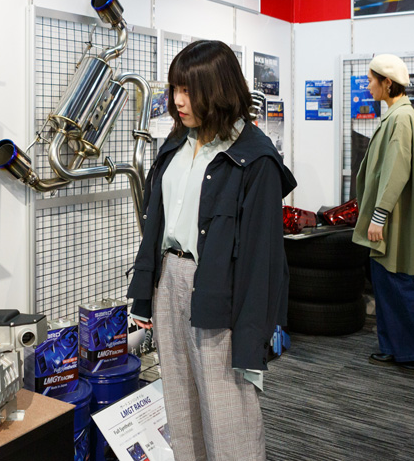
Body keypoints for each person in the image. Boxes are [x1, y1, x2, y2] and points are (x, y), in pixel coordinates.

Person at [126, 40, 296, 461]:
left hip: (221, 291)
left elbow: (262, 260)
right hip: (170, 280)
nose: (177, 101)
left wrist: (253, 338)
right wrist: (144, 295)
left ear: (217, 90)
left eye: (189, 90)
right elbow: (155, 226)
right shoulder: (176, 145)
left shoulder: (254, 158)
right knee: (180, 404)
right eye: (175, 88)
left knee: (227, 413)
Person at [353, 54, 414, 375]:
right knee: (385, 282)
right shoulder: (396, 114)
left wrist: (379, 215)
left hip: (393, 218)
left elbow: (397, 170)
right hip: (390, 216)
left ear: (387, 82)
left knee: (396, 284)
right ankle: (394, 347)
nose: (368, 86)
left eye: (371, 80)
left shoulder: (401, 117)